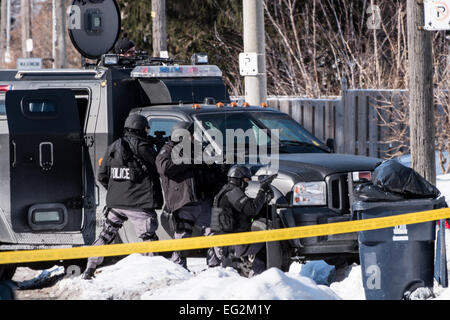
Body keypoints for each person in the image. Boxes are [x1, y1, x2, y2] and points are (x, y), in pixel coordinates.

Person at [82, 114, 162, 280]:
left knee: (105, 235)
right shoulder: (143, 147)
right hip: (138, 204)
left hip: (116, 204)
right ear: (140, 128)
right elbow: (158, 169)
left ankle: (89, 268)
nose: (147, 131)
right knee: (149, 238)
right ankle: (154, 274)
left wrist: (116, 189)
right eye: (146, 128)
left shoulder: (114, 146)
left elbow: (102, 175)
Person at [156, 121, 217, 270]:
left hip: (201, 199)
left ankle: (215, 268)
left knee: (213, 234)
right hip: (184, 201)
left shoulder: (195, 148)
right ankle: (179, 269)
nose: (192, 137)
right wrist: (188, 161)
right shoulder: (168, 150)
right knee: (182, 236)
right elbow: (164, 168)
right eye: (190, 134)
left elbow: (207, 166)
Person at [210, 165, 274, 277]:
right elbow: (251, 209)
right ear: (238, 179)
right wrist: (262, 190)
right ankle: (258, 276)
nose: (248, 183)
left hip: (224, 243)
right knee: (267, 242)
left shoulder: (225, 191)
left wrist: (263, 200)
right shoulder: (233, 192)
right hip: (232, 243)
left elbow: (244, 211)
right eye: (246, 179)